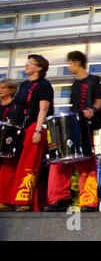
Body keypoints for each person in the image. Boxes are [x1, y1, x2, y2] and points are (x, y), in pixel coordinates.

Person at [44, 51, 101, 212]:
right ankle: (60, 199)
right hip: (70, 126)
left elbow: (99, 101)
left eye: (69, 63)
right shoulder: (75, 83)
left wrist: (92, 109)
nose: (69, 67)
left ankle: (89, 202)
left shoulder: (93, 80)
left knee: (86, 164)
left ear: (77, 62)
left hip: (84, 126)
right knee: (60, 161)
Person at [8, 55, 54, 212]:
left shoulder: (44, 85)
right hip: (21, 128)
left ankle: (24, 200)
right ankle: (8, 199)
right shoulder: (24, 85)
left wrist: (37, 130)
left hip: (35, 126)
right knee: (13, 163)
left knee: (29, 164)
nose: (26, 65)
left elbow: (44, 109)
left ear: (39, 68)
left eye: (30, 63)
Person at [0, 79, 19, 212]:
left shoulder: (16, 105)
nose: (0, 90)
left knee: (8, 171)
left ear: (11, 90)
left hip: (9, 141)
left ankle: (6, 201)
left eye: (3, 88)